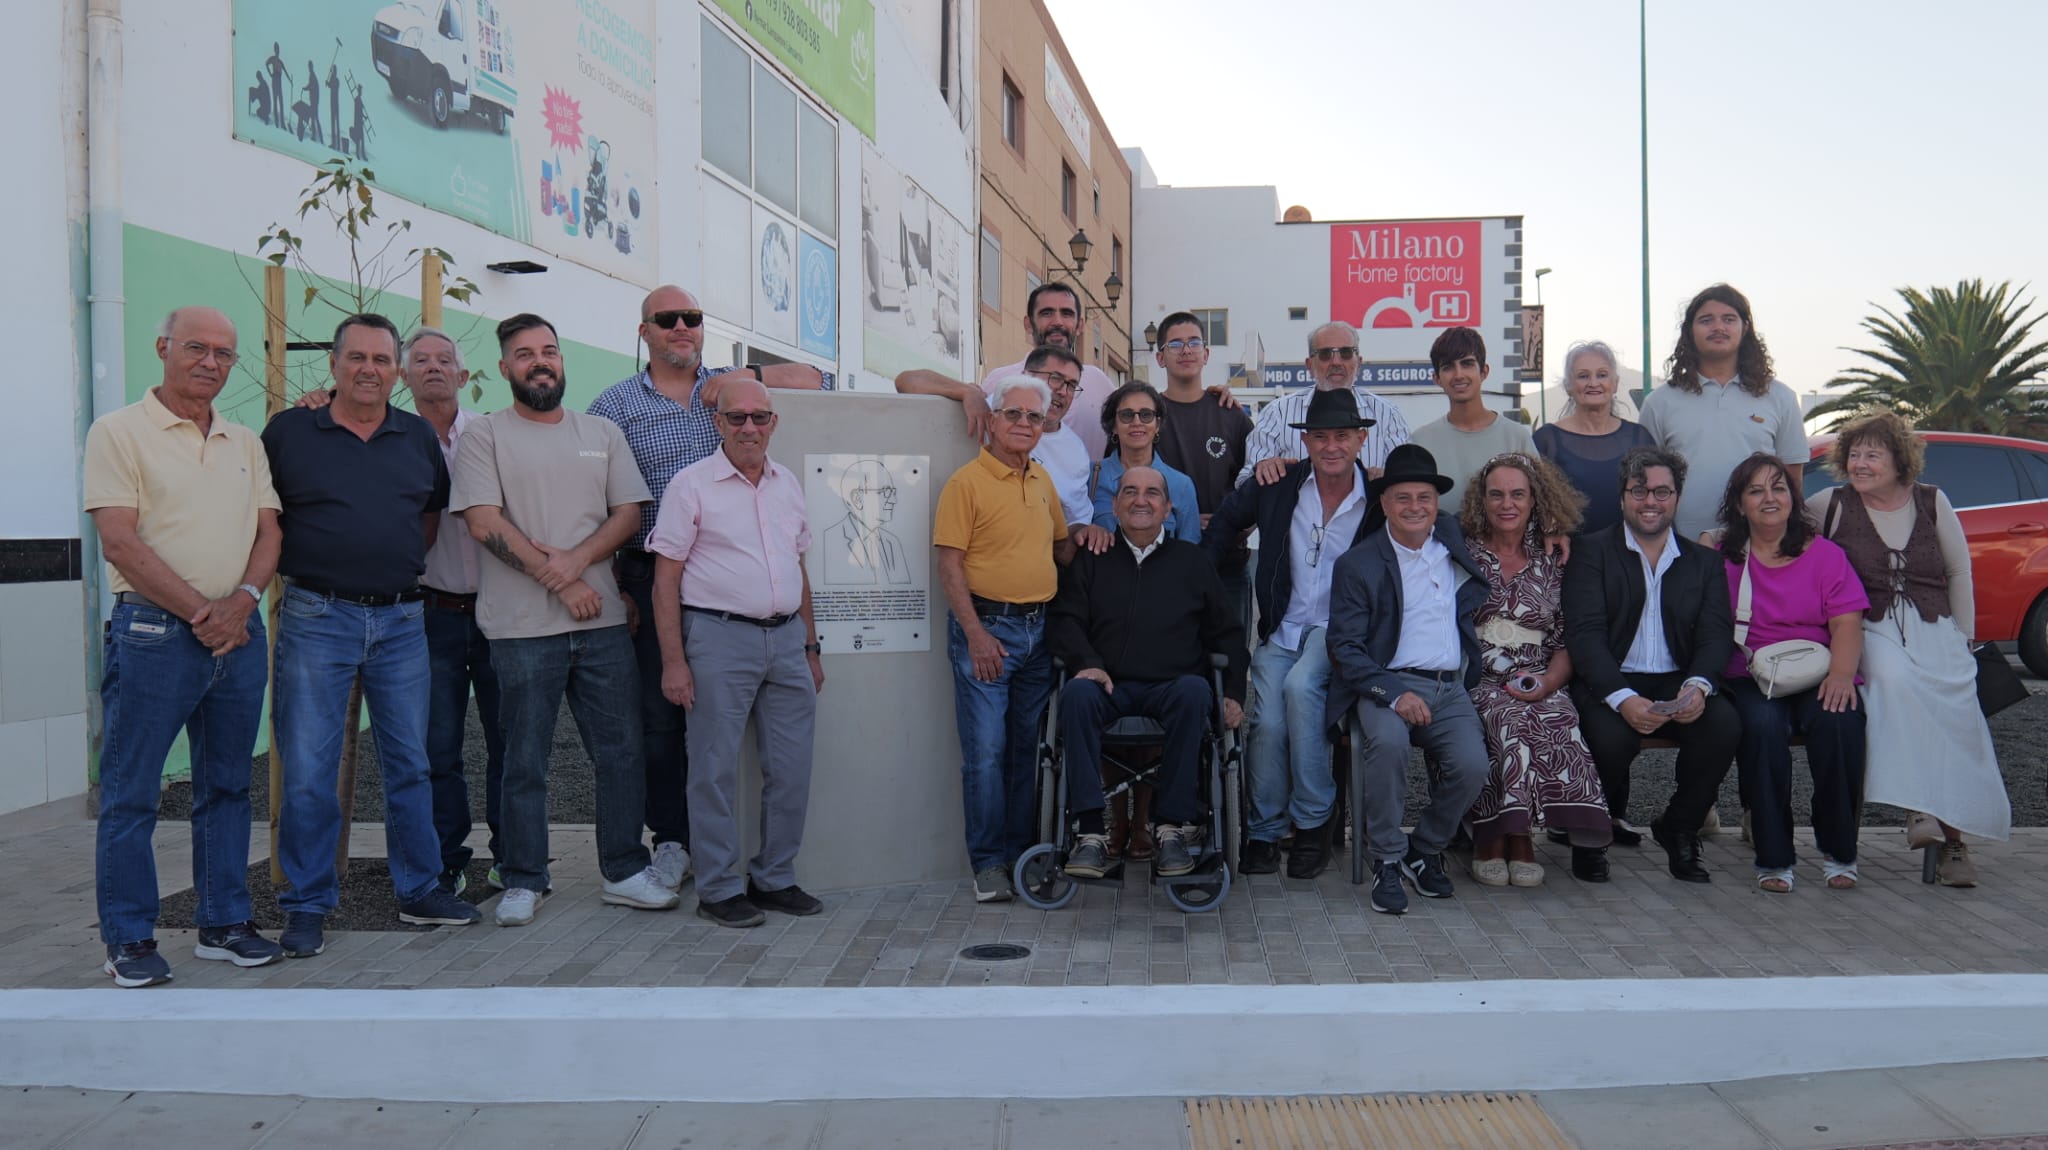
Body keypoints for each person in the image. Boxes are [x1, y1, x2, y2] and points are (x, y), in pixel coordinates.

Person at [588, 285, 832, 898]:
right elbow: (594, 495)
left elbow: (812, 377)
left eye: (692, 319)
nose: (681, 327)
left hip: (766, 616)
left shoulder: (728, 394)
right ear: (643, 331)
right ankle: (678, 848)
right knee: (665, 729)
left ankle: (770, 876)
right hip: (659, 578)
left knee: (778, 763)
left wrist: (739, 379)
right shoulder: (616, 404)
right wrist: (610, 579)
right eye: (667, 319)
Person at [263, 313, 482, 959]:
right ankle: (306, 904)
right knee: (308, 771)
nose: (368, 369)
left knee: (410, 764)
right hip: (315, 618)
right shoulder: (289, 431)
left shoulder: (416, 437)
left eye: (381, 360)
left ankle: (419, 889)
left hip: (401, 621)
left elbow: (427, 521)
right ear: (331, 365)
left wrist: (390, 574)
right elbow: (261, 513)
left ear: (397, 371)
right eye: (355, 357)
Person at [84, 306, 285, 986]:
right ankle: (129, 940)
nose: (210, 362)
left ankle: (225, 922)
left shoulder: (243, 441)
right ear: (162, 347)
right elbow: (120, 541)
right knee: (132, 792)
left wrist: (244, 604)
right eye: (196, 348)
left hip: (240, 634)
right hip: (154, 636)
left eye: (224, 354)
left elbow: (270, 534)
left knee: (228, 786)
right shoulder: (118, 433)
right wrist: (206, 613)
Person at [452, 313, 675, 926]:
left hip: (601, 623)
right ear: (504, 368)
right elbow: (483, 522)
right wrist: (564, 580)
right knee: (524, 757)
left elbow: (629, 513)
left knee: (622, 751)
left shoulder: (600, 431)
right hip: (522, 628)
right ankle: (525, 877)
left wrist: (576, 563)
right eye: (524, 354)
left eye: (548, 350)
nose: (539, 361)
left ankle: (625, 870)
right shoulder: (485, 437)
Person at [649, 379, 826, 927]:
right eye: (736, 418)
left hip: (787, 642)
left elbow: (798, 570)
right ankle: (719, 887)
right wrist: (674, 662)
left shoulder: (788, 484)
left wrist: (811, 645)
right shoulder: (691, 486)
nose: (748, 427)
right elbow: (665, 581)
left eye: (759, 417)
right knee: (713, 769)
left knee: (792, 769)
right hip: (718, 639)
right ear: (718, 423)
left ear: (774, 423)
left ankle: (774, 877)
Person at [1808, 411, 2010, 886]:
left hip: (1935, 626)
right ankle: (1920, 810)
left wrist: (1964, 637)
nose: (1859, 464)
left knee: (1957, 712)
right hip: (1868, 629)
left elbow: (1959, 573)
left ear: (1900, 461)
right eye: (1854, 454)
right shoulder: (1828, 505)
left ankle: (1953, 840)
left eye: (1872, 455)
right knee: (1895, 682)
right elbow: (1780, 535)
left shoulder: (1932, 502)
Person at [1203, 388, 1377, 879]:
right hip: (1283, 628)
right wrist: (1195, 584)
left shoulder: (1379, 497)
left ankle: (1313, 824)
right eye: (1320, 437)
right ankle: (1264, 830)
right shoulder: (1277, 484)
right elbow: (1225, 526)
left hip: (1339, 632)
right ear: (1307, 442)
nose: (1331, 446)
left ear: (1361, 440)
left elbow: (1428, 523)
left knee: (1303, 690)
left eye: (1342, 436)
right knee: (1268, 724)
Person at [1048, 466, 1247, 880]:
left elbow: (1227, 634)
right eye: (1131, 492)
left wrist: (1232, 693)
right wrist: (1089, 663)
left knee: (1196, 693)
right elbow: (1066, 621)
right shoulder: (1093, 559)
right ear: (1116, 505)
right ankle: (1089, 833)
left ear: (1168, 507)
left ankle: (1170, 828)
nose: (1142, 500)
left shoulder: (1192, 562)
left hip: (1171, 686)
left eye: (1153, 493)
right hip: (1108, 685)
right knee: (1075, 696)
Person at [1561, 446, 1740, 884]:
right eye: (1639, 491)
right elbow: (1584, 636)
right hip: (1612, 681)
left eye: (1662, 491)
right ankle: (1590, 836)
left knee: (1724, 726)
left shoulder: (1704, 562)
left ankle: (1679, 827)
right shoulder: (1590, 553)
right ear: (1622, 496)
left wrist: (1697, 687)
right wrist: (1622, 699)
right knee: (1607, 739)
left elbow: (1716, 635)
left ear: (1677, 496)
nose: (1650, 501)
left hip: (1678, 681)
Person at [1327, 445, 1492, 914]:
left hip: (1447, 685)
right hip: (1386, 685)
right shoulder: (1358, 565)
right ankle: (1386, 858)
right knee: (1389, 746)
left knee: (1472, 764)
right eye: (1403, 498)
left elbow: (1512, 524)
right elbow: (1345, 648)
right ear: (1384, 504)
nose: (1415, 507)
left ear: (1437, 504)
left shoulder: (1451, 539)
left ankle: (1424, 848)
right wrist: (1394, 694)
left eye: (1424, 497)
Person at [935, 376, 1072, 901]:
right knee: (986, 753)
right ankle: (989, 864)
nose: (1023, 424)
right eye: (1013, 414)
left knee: (1024, 750)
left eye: (1033, 417)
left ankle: (1021, 857)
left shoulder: (1041, 480)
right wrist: (974, 635)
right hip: (988, 632)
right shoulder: (966, 482)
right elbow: (948, 565)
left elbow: (1062, 547)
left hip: (1040, 633)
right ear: (991, 420)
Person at [1712, 454, 1869, 893]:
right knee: (1760, 729)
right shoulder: (1725, 558)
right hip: (1750, 674)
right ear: (1739, 504)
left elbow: (1846, 623)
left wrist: (1841, 676)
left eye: (1778, 488)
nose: (1769, 498)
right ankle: (1774, 857)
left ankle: (1840, 850)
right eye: (1756, 490)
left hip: (1818, 669)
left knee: (1840, 721)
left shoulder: (1825, 555)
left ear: (1792, 497)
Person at [1456, 454, 1611, 887]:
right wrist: (1502, 674)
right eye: (1497, 494)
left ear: (1535, 499)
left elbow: (1565, 641)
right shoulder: (1462, 553)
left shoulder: (1554, 559)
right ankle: (1492, 836)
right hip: (1476, 672)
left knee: (1557, 714)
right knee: (1503, 715)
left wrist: (1549, 682)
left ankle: (1522, 835)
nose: (1507, 504)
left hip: (1540, 673)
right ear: (1480, 501)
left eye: (1518, 494)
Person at [401, 328, 506, 896]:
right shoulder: (392, 439)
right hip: (430, 615)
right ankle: (446, 861)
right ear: (404, 376)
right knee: (437, 748)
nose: (434, 368)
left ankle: (513, 859)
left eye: (445, 360)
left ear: (464, 377)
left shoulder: (491, 437)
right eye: (421, 360)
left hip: (498, 613)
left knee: (507, 741)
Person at [1638, 284, 1809, 541]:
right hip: (1681, 549)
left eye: (1729, 319)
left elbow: (1792, 478)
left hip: (1759, 549)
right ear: (1689, 331)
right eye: (1706, 320)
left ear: (1745, 328)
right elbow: (1646, 481)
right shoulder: (1660, 402)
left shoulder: (1780, 397)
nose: (1718, 327)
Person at [899, 343, 1102, 549]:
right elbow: (907, 381)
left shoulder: (1075, 450)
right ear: (1026, 375)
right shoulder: (991, 410)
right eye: (1056, 378)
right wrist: (966, 391)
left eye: (1071, 385)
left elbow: (1076, 521)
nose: (1063, 391)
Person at [893, 283, 1114, 459]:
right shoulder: (1002, 380)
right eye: (1047, 313)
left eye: (1066, 314)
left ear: (1080, 325)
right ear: (1028, 324)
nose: (1057, 321)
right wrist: (967, 392)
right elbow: (907, 381)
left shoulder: (1099, 383)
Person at [1150, 310, 1255, 620]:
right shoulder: (1146, 416)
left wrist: (1235, 525)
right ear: (1160, 358)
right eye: (1175, 344)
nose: (1186, 350)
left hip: (1227, 565)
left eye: (1194, 342)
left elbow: (1258, 484)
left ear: (1206, 354)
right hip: (1162, 563)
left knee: (1230, 660)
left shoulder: (1231, 415)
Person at [1239, 321, 1412, 484]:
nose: (1336, 362)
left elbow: (1409, 479)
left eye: (1345, 353)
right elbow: (1244, 481)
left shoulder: (1387, 415)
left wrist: (1390, 479)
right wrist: (1262, 471)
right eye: (1325, 354)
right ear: (1309, 365)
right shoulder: (1277, 413)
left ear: (1358, 362)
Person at [1532, 341, 1654, 534]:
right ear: (1568, 386)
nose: (1593, 383)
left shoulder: (1640, 438)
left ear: (1615, 384)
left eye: (1602, 375)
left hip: (1630, 553)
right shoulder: (1546, 441)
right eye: (1583, 376)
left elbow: (1656, 498)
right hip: (1568, 555)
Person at [1407, 327, 1536, 497]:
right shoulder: (1421, 441)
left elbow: (1539, 504)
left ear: (1484, 372)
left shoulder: (1516, 438)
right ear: (1437, 378)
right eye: (1448, 367)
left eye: (1467, 364)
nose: (1458, 374)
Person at [1090, 382, 1202, 544]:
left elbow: (1189, 551)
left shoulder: (1181, 485)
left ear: (1157, 425)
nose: (1137, 422)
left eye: (1146, 414)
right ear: (1113, 425)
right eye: (1127, 415)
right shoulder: (1090, 477)